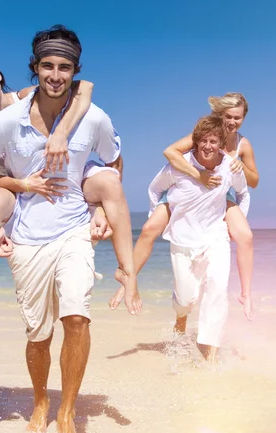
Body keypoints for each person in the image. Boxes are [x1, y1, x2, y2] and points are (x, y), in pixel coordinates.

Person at [0, 25, 139, 433]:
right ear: (35, 69)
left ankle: (67, 411)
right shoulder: (8, 121)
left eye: (65, 67)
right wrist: (3, 205)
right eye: (48, 66)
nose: (56, 75)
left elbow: (115, 163)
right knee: (38, 336)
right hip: (28, 238)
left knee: (77, 318)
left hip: (75, 230)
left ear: (75, 72)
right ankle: (41, 400)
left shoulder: (93, 117)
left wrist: (98, 207)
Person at [0, 56, 116, 345]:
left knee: (96, 178)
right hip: (10, 187)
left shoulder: (27, 98)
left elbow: (84, 88)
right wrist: (25, 185)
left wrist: (62, 134)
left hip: (54, 178)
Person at [110, 93, 259, 320]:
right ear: (220, 115)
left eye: (237, 118)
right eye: (228, 116)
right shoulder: (205, 135)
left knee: (245, 236)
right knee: (150, 229)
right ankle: (127, 281)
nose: (232, 122)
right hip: (187, 189)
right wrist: (199, 175)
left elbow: (254, 182)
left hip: (221, 194)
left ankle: (246, 295)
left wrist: (240, 165)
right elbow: (170, 152)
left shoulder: (243, 144)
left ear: (244, 118)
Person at [148, 114, 249, 362]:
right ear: (195, 142)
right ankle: (180, 319)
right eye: (202, 141)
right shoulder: (179, 165)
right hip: (182, 240)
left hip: (215, 238)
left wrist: (233, 221)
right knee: (185, 300)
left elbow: (243, 193)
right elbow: (155, 188)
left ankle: (208, 354)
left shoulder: (229, 166)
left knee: (217, 289)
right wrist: (160, 213)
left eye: (213, 141)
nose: (207, 146)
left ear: (221, 143)